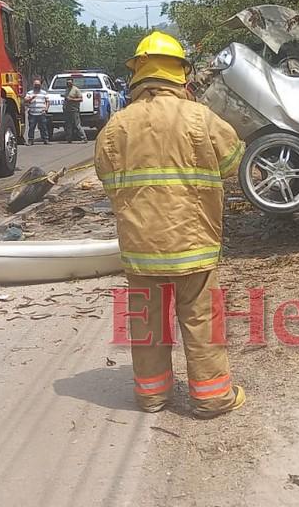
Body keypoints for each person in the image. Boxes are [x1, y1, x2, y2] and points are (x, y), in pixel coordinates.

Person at [94, 31, 246, 419]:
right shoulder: (200, 117)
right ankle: (211, 398)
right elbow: (232, 164)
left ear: (138, 74)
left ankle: (152, 397)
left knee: (148, 325)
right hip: (193, 247)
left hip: (141, 250)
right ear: (181, 73)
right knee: (201, 321)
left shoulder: (115, 126)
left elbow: (107, 179)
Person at [23, 78, 50, 145]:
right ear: (33, 85)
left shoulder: (44, 92)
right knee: (31, 127)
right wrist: (31, 98)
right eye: (36, 84)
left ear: (40, 85)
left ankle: (45, 139)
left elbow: (48, 101)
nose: (37, 86)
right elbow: (25, 100)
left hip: (41, 113)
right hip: (32, 113)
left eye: (38, 84)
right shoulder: (30, 93)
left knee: (43, 127)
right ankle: (31, 140)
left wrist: (46, 109)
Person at [63, 78, 87, 143]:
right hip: (67, 110)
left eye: (70, 83)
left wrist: (71, 99)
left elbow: (81, 99)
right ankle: (69, 139)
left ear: (72, 83)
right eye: (67, 83)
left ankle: (84, 138)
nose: (69, 84)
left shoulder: (76, 89)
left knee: (77, 125)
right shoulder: (67, 89)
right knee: (68, 125)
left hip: (74, 110)